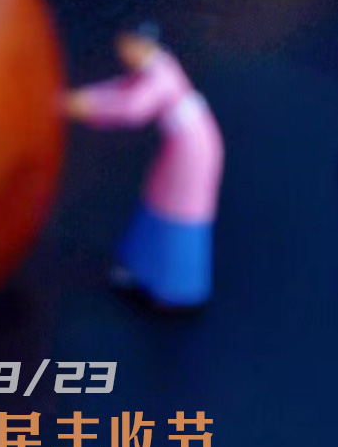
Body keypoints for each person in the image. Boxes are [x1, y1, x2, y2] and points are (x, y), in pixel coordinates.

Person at [66, 29, 224, 307]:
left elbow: (133, 107)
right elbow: (123, 88)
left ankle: (173, 285)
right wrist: (88, 97)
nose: (122, 54)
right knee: (158, 200)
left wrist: (88, 106)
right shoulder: (156, 65)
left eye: (127, 46)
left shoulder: (161, 75)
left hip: (193, 152)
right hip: (182, 147)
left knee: (177, 208)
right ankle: (141, 267)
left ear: (141, 45)